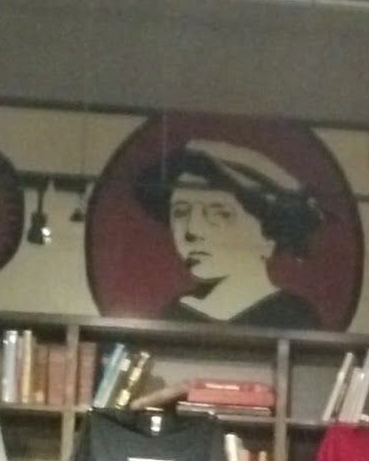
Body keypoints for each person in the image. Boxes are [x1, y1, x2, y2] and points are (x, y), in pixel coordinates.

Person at [130, 141, 323, 329]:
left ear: (269, 234)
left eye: (219, 213)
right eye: (180, 212)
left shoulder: (294, 319)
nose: (191, 231)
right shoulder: (175, 315)